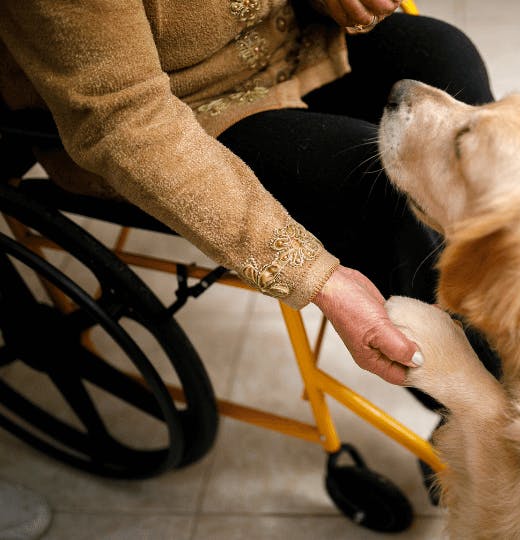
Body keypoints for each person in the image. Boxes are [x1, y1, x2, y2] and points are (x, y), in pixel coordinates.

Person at [0, 0, 495, 389]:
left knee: (443, 57)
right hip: (177, 114)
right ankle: (478, 391)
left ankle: (507, 290)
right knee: (366, 185)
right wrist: (315, 276)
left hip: (286, 39)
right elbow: (124, 122)